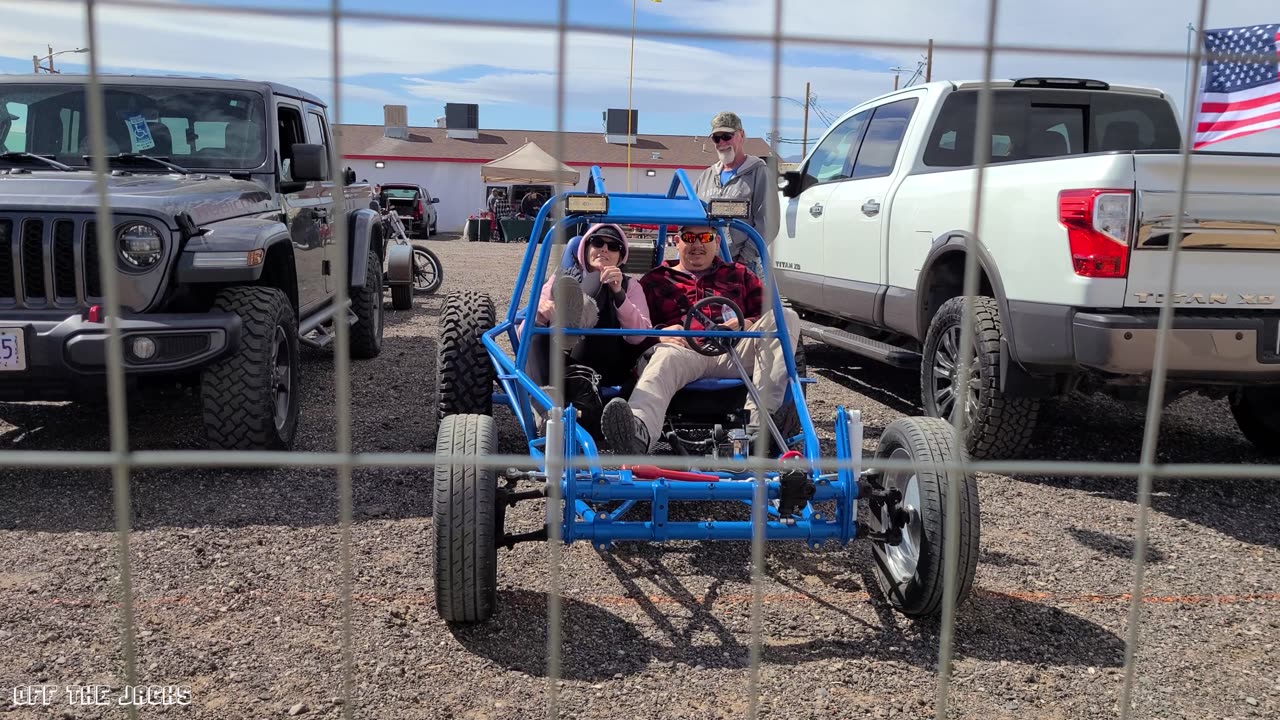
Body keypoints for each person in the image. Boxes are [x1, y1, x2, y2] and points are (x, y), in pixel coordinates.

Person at [600, 224, 800, 455]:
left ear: (716, 242)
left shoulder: (740, 274)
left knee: (786, 316)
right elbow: (637, 327)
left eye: (705, 237)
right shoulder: (655, 280)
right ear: (677, 242)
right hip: (684, 352)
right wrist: (660, 335)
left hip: (735, 350)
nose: (697, 244)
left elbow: (768, 311)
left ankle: (761, 425)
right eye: (689, 237)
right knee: (665, 355)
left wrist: (745, 323)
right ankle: (637, 432)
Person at [518, 223, 652, 442]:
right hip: (562, 359)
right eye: (597, 242)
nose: (604, 250)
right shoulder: (559, 280)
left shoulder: (630, 286)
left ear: (621, 256)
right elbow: (525, 335)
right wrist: (540, 314)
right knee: (534, 332)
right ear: (585, 248)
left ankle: (576, 318)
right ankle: (547, 415)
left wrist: (619, 295)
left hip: (606, 360)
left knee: (597, 280)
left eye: (613, 246)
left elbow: (638, 336)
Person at [693, 111, 779, 275]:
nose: (721, 142)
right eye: (716, 138)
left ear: (741, 135)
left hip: (740, 266)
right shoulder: (706, 177)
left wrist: (743, 259)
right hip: (705, 265)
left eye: (727, 136)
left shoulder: (759, 173)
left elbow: (768, 222)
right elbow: (692, 218)